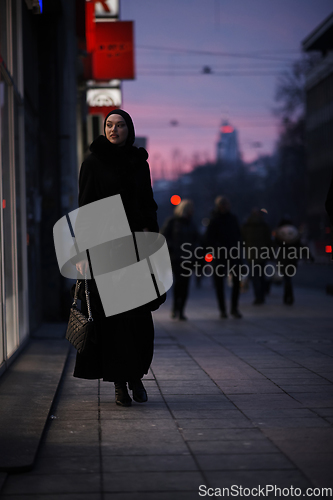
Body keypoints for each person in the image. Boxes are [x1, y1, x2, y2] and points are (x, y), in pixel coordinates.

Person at [73, 109, 159, 407]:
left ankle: (136, 377)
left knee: (138, 320)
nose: (114, 129)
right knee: (112, 321)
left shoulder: (139, 164)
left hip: (135, 250)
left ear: (128, 129)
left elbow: (148, 203)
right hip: (105, 250)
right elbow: (85, 209)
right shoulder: (93, 163)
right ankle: (120, 385)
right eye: (109, 125)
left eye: (120, 125)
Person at [204, 196, 243, 319]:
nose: (226, 206)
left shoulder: (232, 218)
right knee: (219, 284)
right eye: (224, 204)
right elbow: (208, 239)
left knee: (236, 282)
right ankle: (223, 309)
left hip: (233, 254)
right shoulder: (214, 220)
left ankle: (233, 308)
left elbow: (238, 235)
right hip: (219, 255)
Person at [161, 199, 199, 320]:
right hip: (176, 258)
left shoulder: (191, 223)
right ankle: (175, 308)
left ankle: (181, 310)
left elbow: (197, 239)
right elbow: (164, 237)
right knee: (178, 283)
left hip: (189, 258)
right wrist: (172, 247)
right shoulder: (172, 221)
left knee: (186, 284)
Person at [242, 208, 273, 305]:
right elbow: (269, 241)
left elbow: (242, 240)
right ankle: (262, 295)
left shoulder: (247, 225)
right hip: (263, 254)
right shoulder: (264, 225)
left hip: (252, 255)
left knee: (255, 277)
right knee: (262, 276)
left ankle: (257, 296)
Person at [273, 217, 301, 305]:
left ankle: (287, 296)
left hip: (282, 257)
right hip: (292, 257)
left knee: (286, 278)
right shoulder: (293, 232)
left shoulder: (280, 233)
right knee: (288, 277)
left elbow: (275, 244)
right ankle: (289, 296)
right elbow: (299, 244)